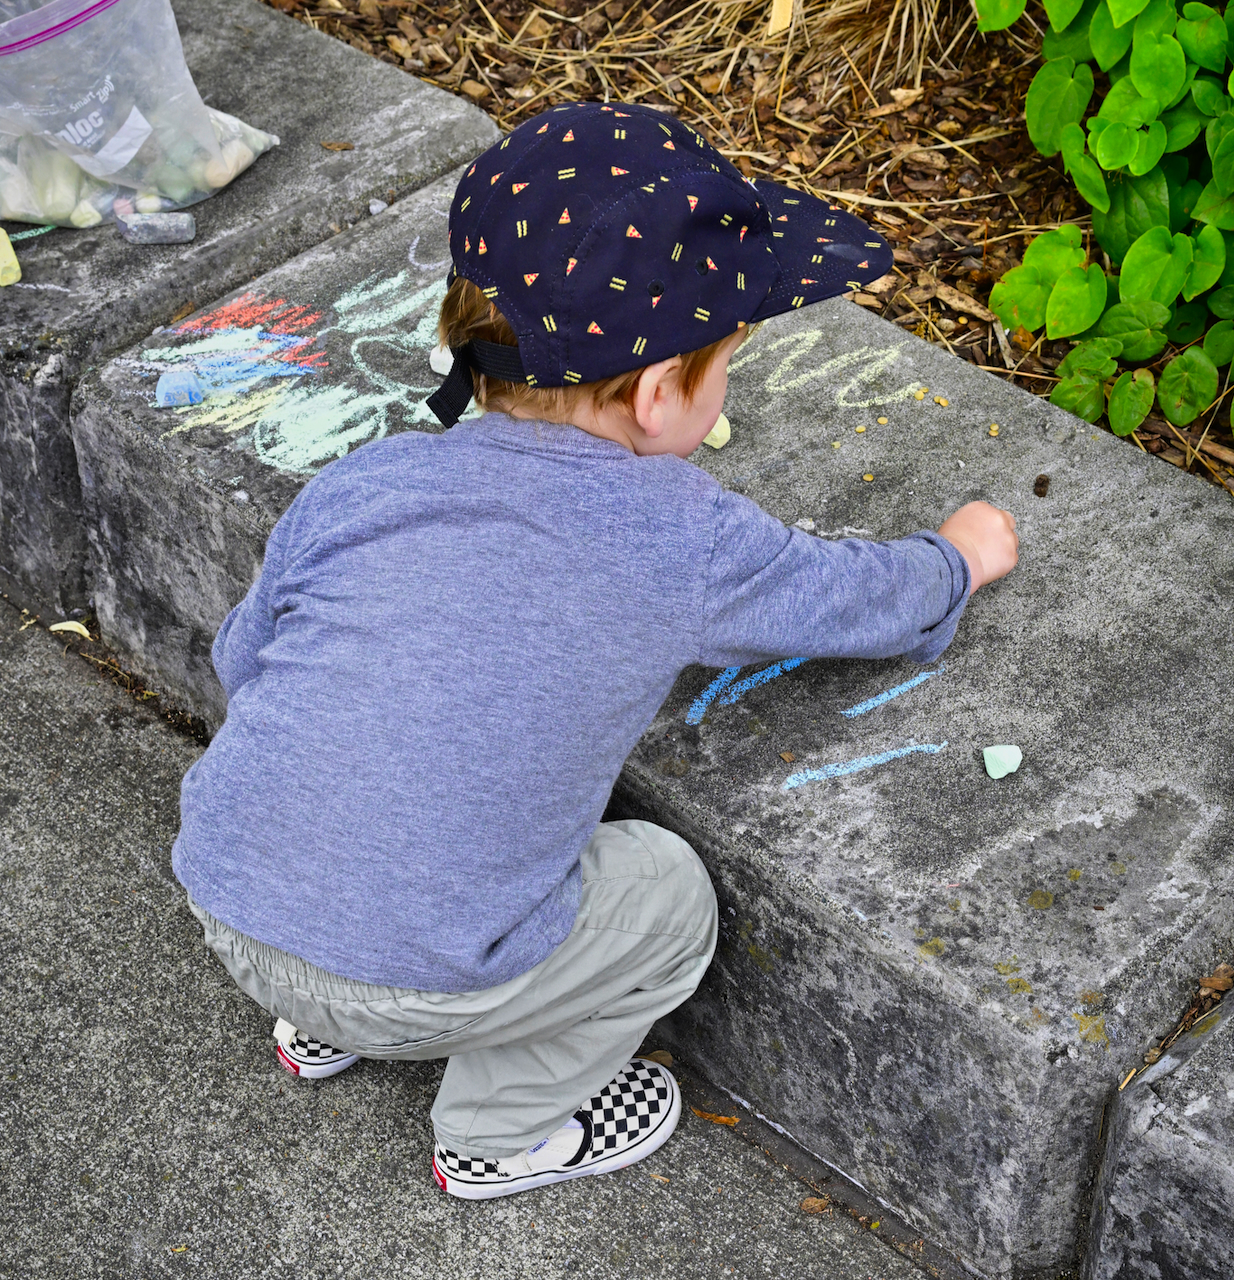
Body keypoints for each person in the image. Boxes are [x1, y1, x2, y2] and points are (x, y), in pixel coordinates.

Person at [173, 102, 1019, 1202]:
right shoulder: (679, 534)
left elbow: (248, 663)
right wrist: (955, 560)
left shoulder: (364, 483)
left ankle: (322, 1025)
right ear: (663, 393)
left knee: (345, 818)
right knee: (666, 895)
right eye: (725, 364)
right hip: (413, 974)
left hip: (231, 898)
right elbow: (846, 600)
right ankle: (500, 1130)